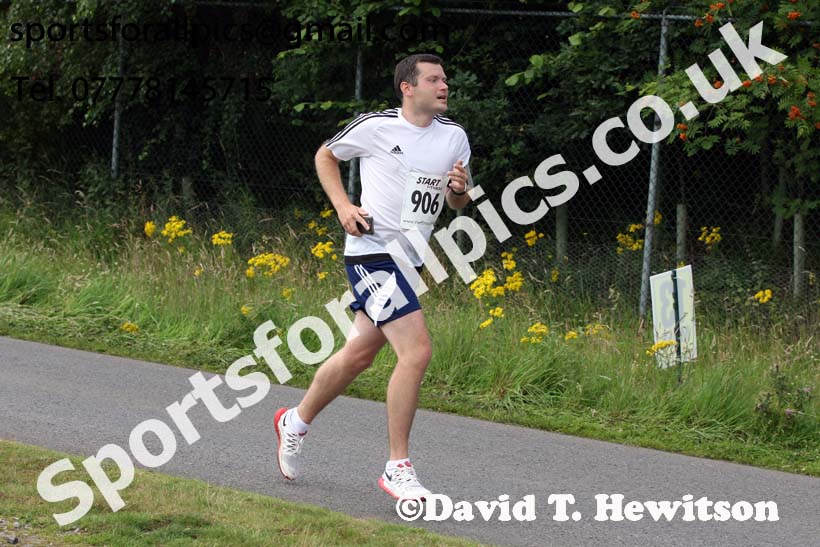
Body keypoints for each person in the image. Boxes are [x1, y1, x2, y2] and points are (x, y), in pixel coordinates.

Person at [274, 53, 472, 501]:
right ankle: (396, 467)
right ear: (408, 87)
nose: (444, 86)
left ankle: (295, 420)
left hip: (410, 262)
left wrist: (459, 191)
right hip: (370, 253)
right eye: (434, 79)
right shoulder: (376, 126)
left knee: (359, 355)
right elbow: (326, 155)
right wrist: (343, 207)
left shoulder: (455, 138)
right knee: (417, 352)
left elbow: (458, 201)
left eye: (445, 79)